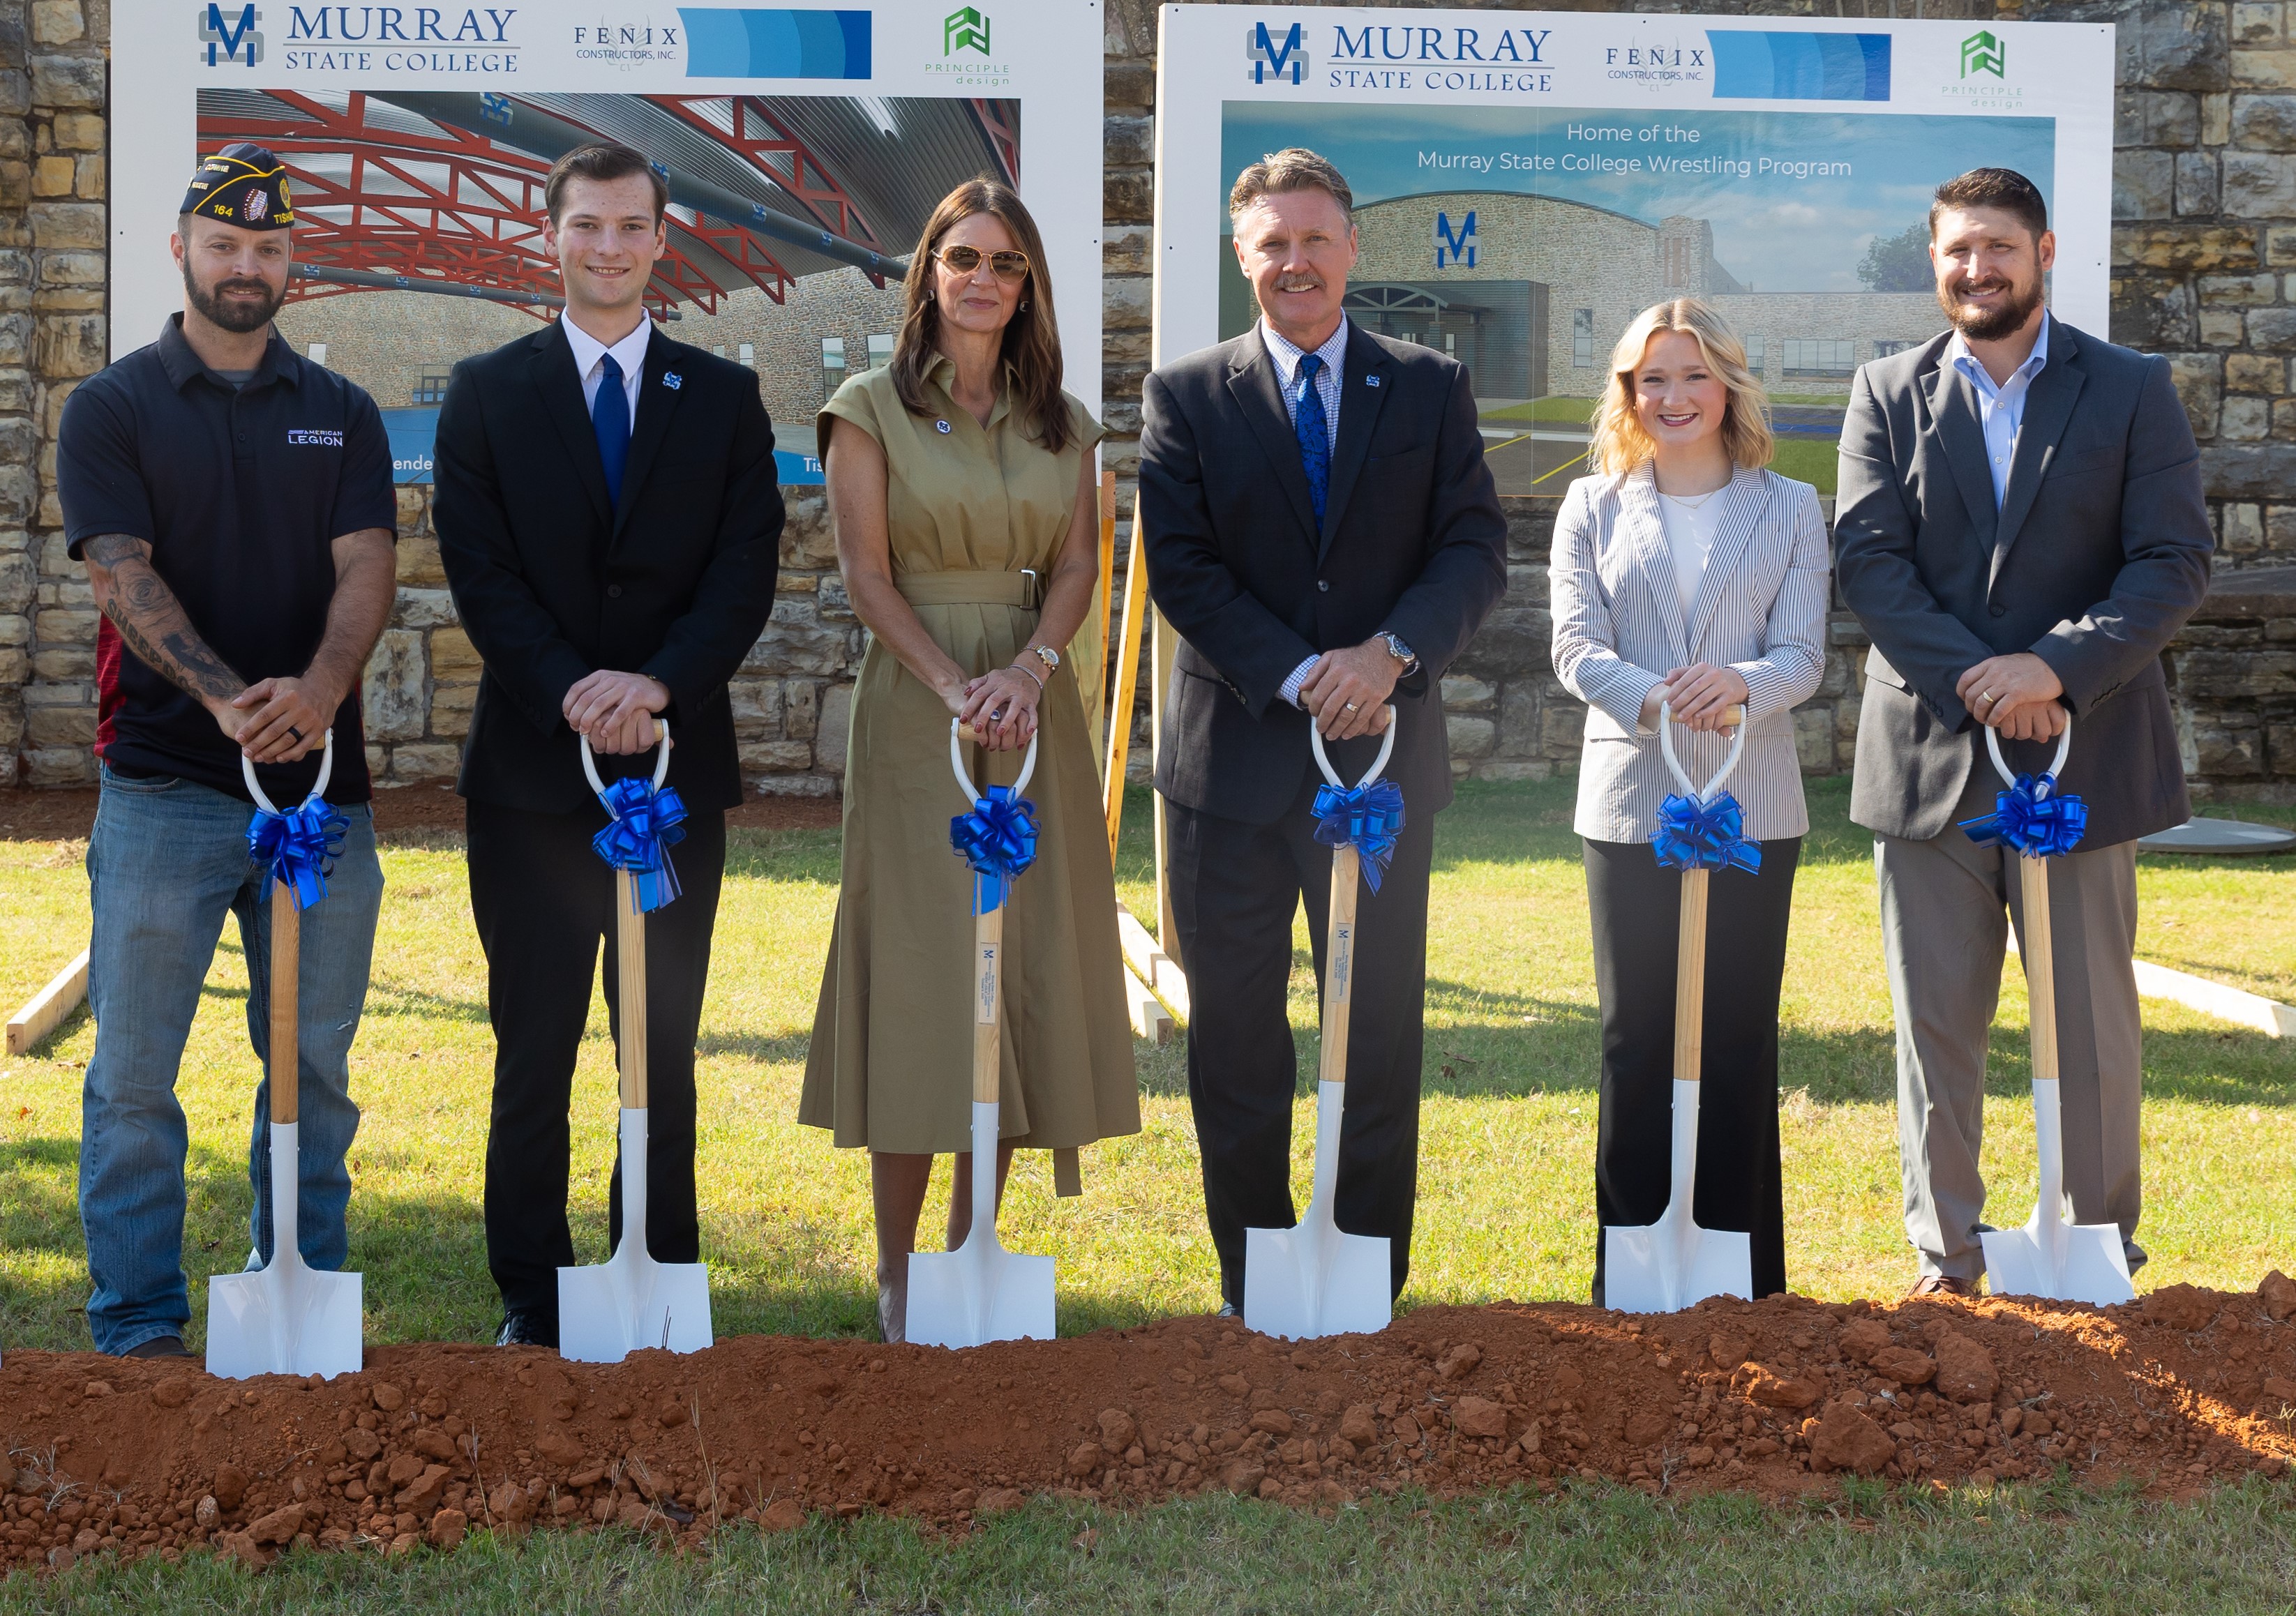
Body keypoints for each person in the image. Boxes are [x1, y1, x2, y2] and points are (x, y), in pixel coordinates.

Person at [1138, 148, 1507, 1314]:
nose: (1295, 261)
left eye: (1314, 238)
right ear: (1242, 257)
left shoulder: (1431, 384)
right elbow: (1183, 570)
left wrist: (1388, 657)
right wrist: (1302, 673)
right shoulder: (1186, 394)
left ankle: (1363, 1274)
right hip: (1231, 772)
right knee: (1238, 1039)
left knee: (1379, 1027)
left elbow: (1474, 550)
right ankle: (1256, 1278)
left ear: (1350, 248)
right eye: (1272, 243)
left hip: (1383, 764)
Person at [1834, 167, 2214, 1298]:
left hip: (2086, 751)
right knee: (1935, 1032)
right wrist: (1986, 681)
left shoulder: (2133, 388)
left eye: (1998, 248)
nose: (1976, 269)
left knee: (2091, 1023)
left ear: (2044, 251)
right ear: (1935, 261)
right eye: (1956, 251)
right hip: (1930, 764)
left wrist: (2055, 666)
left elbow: (2172, 560)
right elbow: (1870, 563)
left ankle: (2096, 1252)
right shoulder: (1886, 390)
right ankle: (1947, 1261)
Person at [435, 142, 783, 1347]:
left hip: (675, 775)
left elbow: (744, 574)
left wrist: (661, 685)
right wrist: (574, 690)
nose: (610, 247)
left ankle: (658, 1268)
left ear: (661, 238)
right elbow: (478, 569)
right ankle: (534, 1295)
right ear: (554, 235)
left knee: (662, 1039)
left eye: (633, 226)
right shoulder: (485, 391)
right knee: (535, 1043)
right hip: (535, 778)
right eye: (588, 225)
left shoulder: (725, 399)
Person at [57, 144, 396, 1358]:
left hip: (321, 799)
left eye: (267, 248)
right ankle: (138, 1325)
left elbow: (367, 566)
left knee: (311, 1069)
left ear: (292, 262)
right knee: (136, 1076)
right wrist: (224, 701)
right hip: (164, 787)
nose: (245, 267)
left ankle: (298, 1300)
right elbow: (119, 571)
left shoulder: (343, 412)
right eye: (224, 244)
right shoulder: (111, 407)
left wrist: (316, 689)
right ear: (182, 251)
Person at [800, 179, 1139, 1343]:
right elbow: (865, 575)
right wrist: (958, 691)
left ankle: (968, 1258)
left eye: (1005, 262)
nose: (983, 279)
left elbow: (1082, 571)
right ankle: (897, 1279)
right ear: (928, 273)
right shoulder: (866, 407)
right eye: (963, 258)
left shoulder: (1066, 423)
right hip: (919, 715)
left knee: (1016, 969)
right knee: (925, 974)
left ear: (1028, 282)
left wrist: (1032, 676)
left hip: (1035, 710)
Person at [1549, 299, 1830, 1305]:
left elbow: (1803, 653)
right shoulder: (1592, 505)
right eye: (1651, 380)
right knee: (1637, 1034)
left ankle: (1743, 1274)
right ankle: (1629, 1270)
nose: (1672, 397)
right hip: (1630, 801)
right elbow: (1576, 647)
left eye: (1693, 376)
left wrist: (1741, 683)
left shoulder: (1790, 506)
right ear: (1629, 393)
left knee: (1740, 1032)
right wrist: (1654, 694)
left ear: (1730, 388)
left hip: (1749, 799)